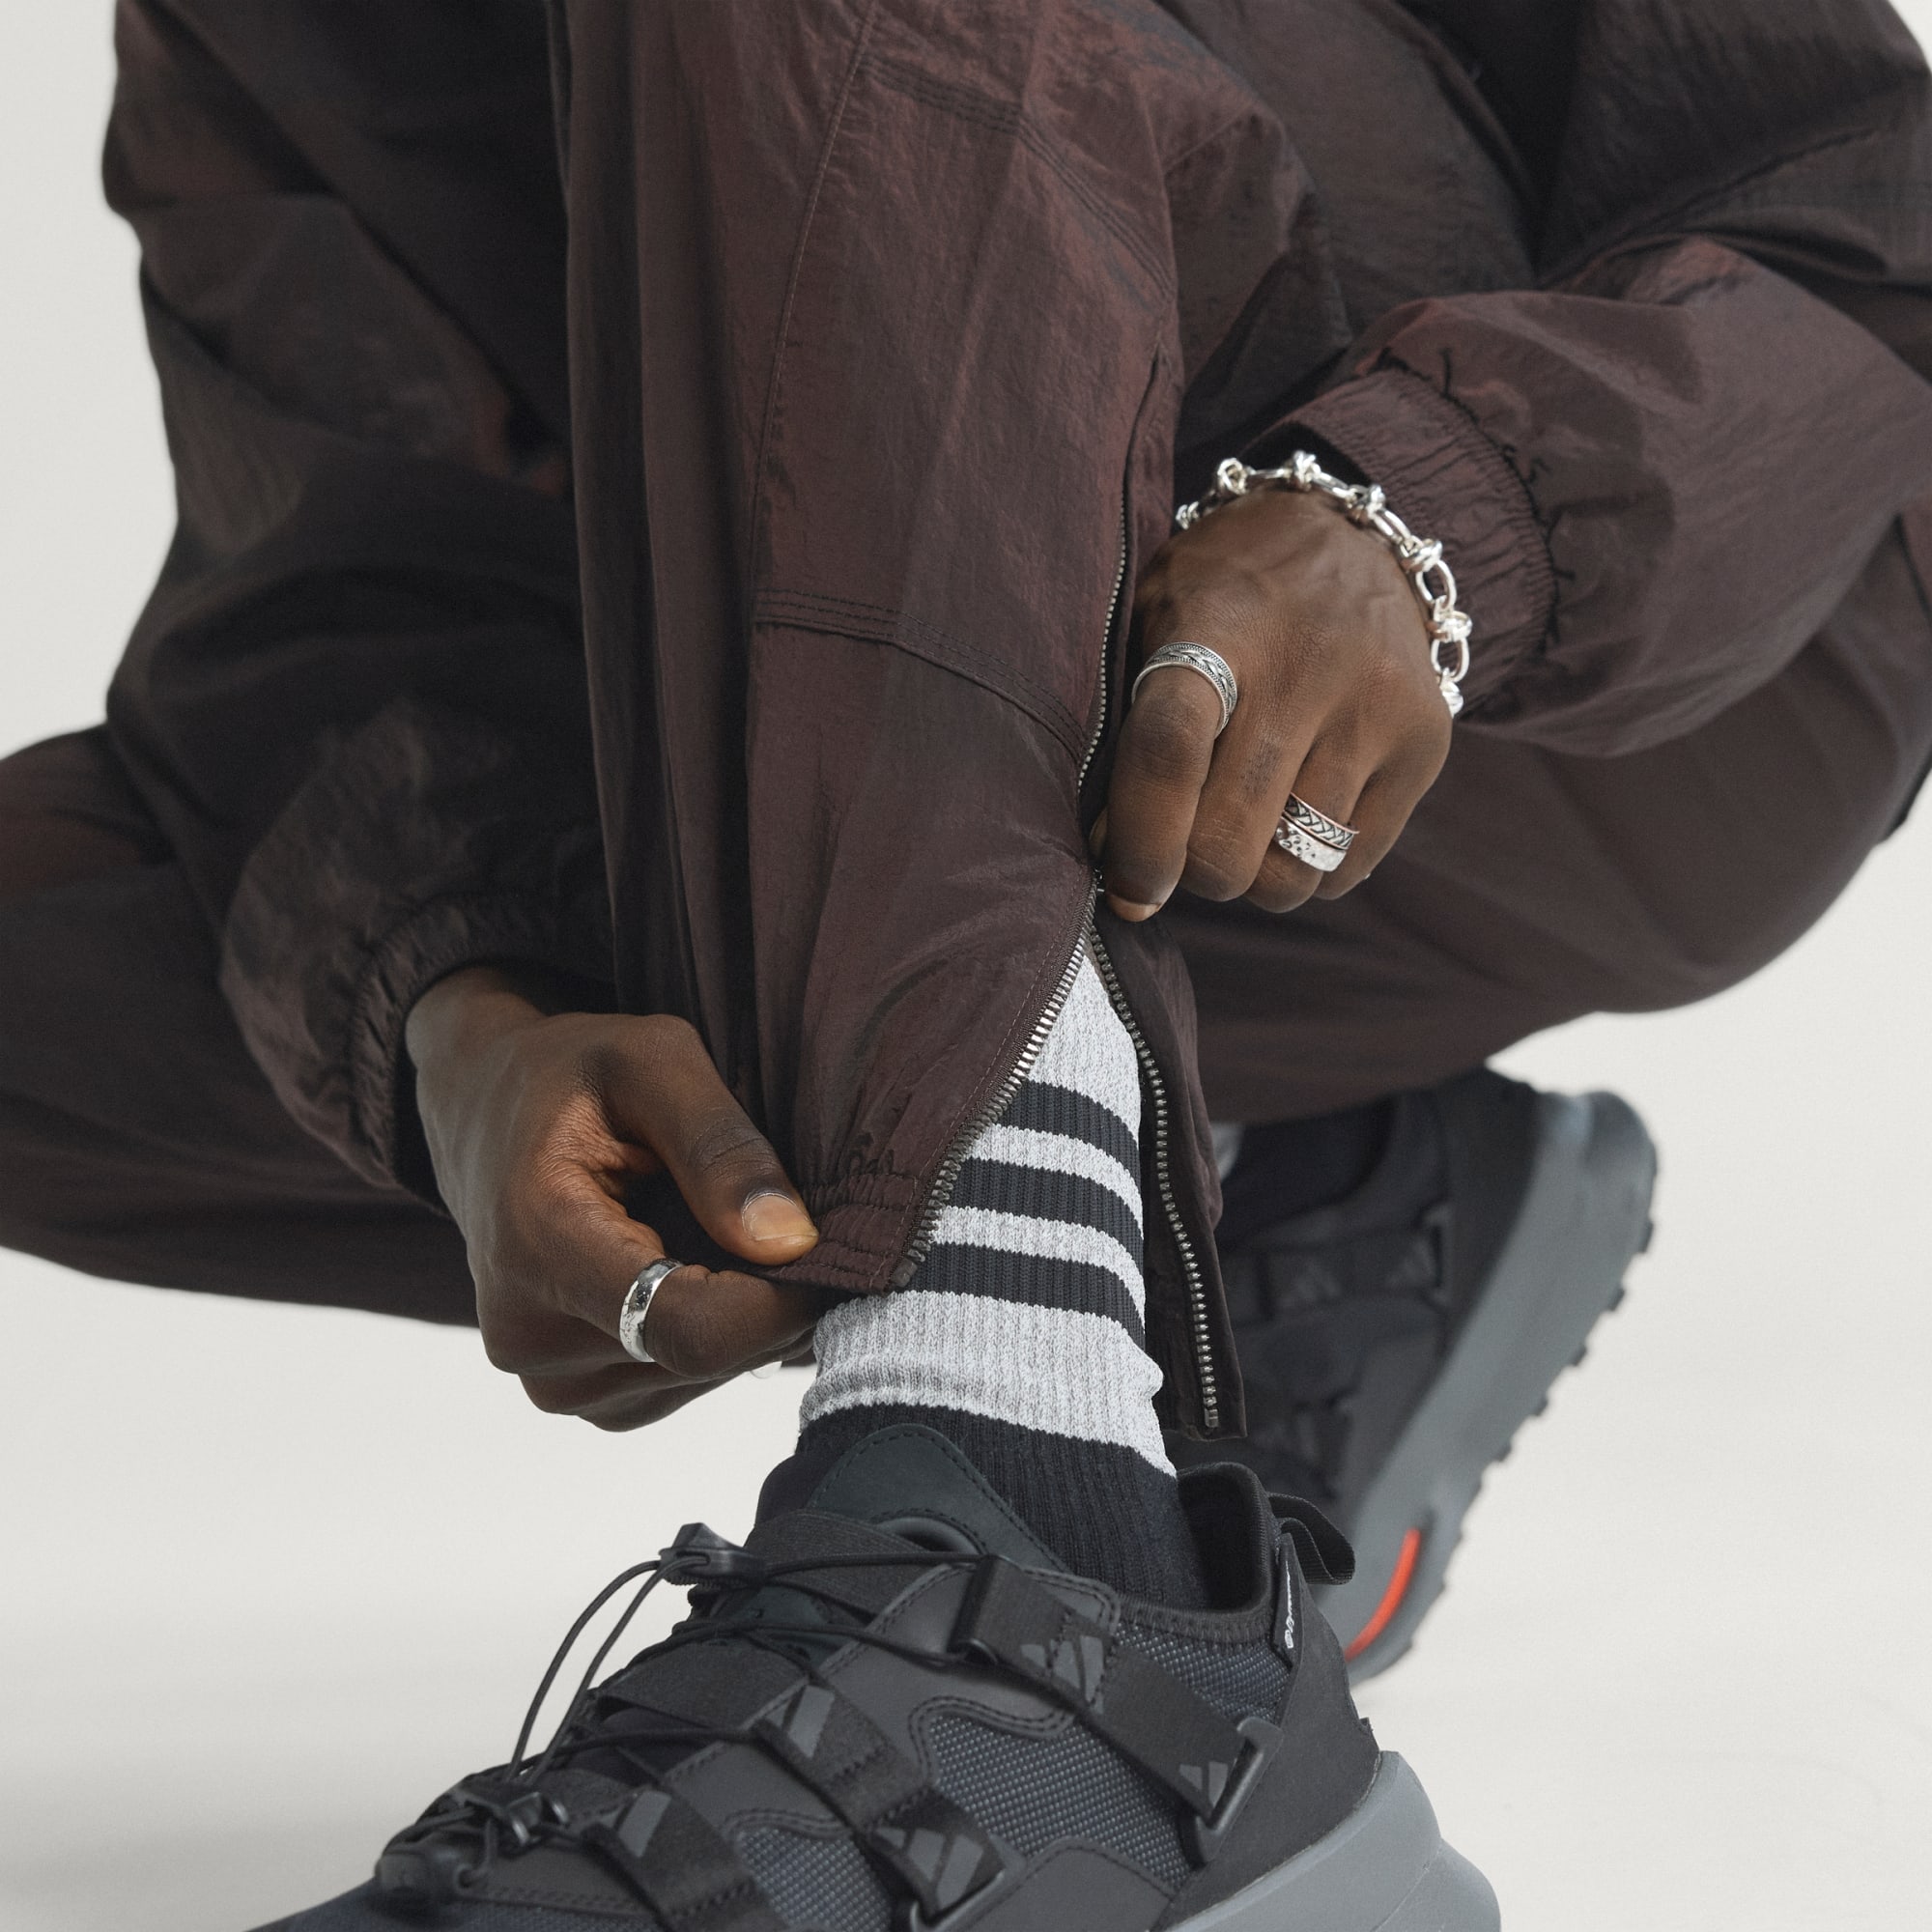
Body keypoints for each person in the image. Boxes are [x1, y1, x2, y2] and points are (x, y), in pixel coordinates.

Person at [5, 1, 1931, 1924]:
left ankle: (1051, 1560)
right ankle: (1257, 1208)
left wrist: (1430, 508)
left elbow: (1866, 209)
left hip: (1626, 646)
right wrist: (453, 1007)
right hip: (923, 785)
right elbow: (347, 579)